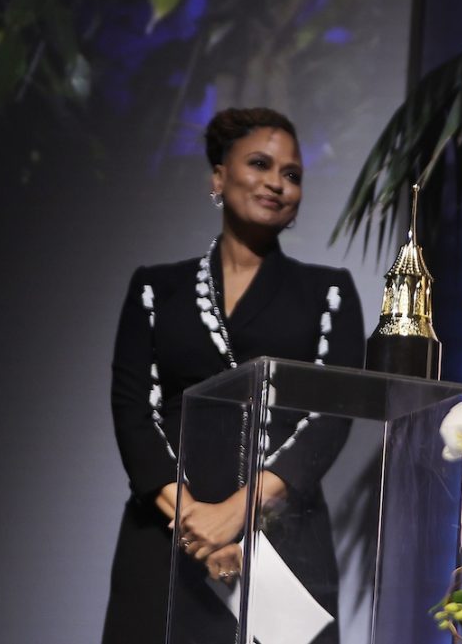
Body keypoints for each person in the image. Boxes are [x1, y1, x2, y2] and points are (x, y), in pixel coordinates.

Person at [103, 108, 365, 644]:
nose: (277, 183)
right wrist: (197, 522)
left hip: (281, 542)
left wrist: (237, 514)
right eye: (260, 164)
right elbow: (133, 412)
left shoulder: (329, 293)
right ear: (219, 178)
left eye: (292, 174)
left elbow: (330, 416)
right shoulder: (157, 289)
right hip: (166, 538)